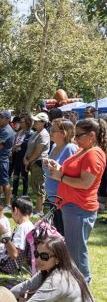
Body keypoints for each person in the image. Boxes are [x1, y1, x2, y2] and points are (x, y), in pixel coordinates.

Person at [46, 118, 107, 283]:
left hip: (79, 208)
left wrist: (61, 176)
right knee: (72, 250)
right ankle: (76, 285)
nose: (75, 139)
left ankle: (83, 286)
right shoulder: (83, 149)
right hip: (71, 206)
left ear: (92, 135)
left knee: (77, 252)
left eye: (79, 135)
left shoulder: (94, 154)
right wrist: (59, 168)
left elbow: (86, 183)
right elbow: (75, 173)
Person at [43, 118, 77, 235]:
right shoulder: (54, 146)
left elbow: (74, 173)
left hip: (63, 198)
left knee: (63, 232)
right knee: (57, 230)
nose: (50, 132)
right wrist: (47, 163)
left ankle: (65, 253)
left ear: (63, 133)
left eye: (53, 130)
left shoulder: (70, 148)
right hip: (53, 197)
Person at [0, 197, 34, 274]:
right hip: (11, 260)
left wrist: (2, 232)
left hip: (4, 262)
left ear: (15, 210)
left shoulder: (22, 228)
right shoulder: (30, 225)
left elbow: (14, 254)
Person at [24, 112, 50, 217]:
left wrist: (28, 161)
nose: (34, 122)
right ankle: (38, 208)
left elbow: (38, 151)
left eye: (37, 121)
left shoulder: (44, 134)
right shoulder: (36, 133)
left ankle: (40, 211)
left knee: (40, 187)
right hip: (33, 162)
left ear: (43, 123)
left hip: (38, 163)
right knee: (35, 186)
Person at [11, 114, 33, 197]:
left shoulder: (30, 133)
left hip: (24, 157)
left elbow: (27, 144)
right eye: (19, 121)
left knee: (24, 176)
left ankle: (25, 194)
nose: (20, 123)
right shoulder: (19, 132)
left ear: (27, 123)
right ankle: (14, 193)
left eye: (22, 122)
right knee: (15, 175)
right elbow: (15, 142)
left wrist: (18, 146)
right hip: (16, 156)